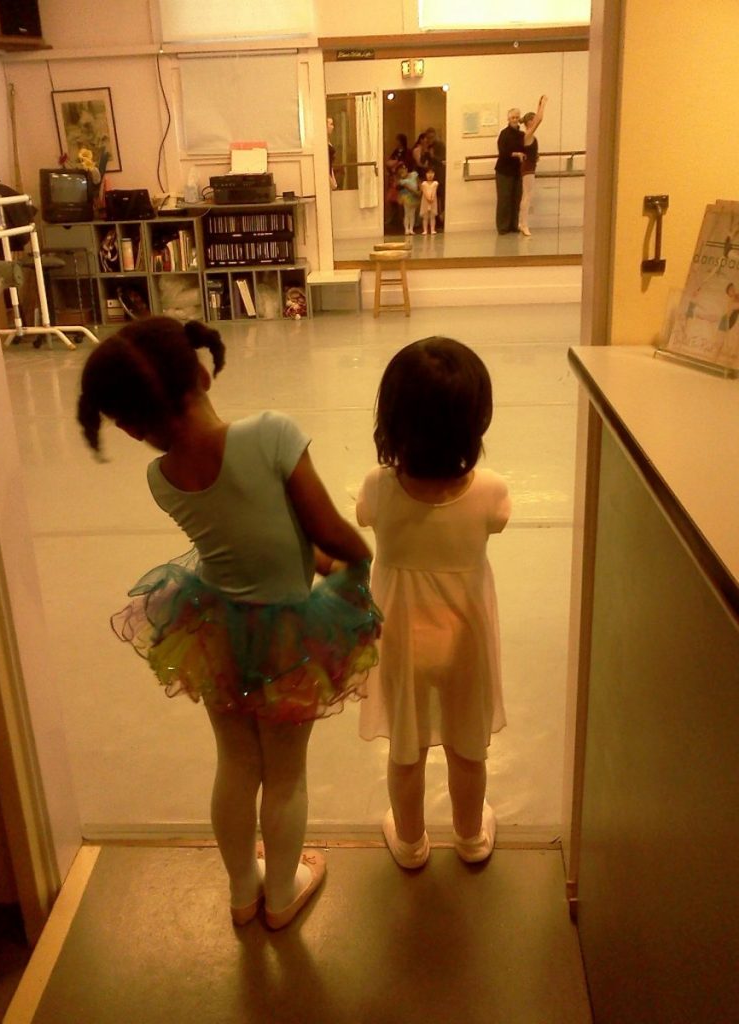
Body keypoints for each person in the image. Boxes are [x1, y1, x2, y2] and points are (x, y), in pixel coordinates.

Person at [76, 317, 381, 928]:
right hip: (291, 637)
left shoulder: (161, 478)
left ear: (133, 427)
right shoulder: (272, 435)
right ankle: (283, 894)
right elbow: (326, 531)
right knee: (286, 775)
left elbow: (250, 536)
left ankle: (244, 890)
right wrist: (359, 559)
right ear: (203, 370)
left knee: (236, 765)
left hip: (215, 630)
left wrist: (311, 559)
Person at [357, 337, 511, 869]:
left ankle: (411, 840)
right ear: (476, 420)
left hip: (401, 640)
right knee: (468, 747)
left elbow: (361, 516)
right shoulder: (490, 490)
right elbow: (500, 519)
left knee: (406, 749)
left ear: (392, 420)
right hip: (465, 639)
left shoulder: (378, 488)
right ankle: (470, 837)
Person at [518, 96, 548, 236]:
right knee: (527, 196)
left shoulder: (529, 135)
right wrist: (543, 104)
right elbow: (540, 119)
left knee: (527, 195)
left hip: (529, 166)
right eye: (533, 120)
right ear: (530, 122)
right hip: (528, 167)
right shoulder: (527, 134)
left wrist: (538, 105)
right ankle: (523, 224)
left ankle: (522, 223)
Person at [495, 108, 525, 234]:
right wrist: (516, 154)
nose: (515, 120)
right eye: (513, 117)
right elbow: (503, 152)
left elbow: (527, 149)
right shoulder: (504, 134)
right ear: (508, 119)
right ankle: (502, 227)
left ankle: (514, 225)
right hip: (503, 172)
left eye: (517, 117)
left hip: (518, 172)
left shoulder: (522, 135)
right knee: (504, 199)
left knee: (516, 198)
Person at [385, 134, 412, 232]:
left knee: (403, 200)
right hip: (394, 177)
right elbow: (389, 162)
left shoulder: (408, 152)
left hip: (403, 178)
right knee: (393, 199)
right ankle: (394, 218)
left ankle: (404, 221)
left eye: (398, 141)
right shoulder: (395, 151)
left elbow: (407, 163)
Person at [424, 127, 446, 228]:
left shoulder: (440, 145)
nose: (430, 140)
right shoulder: (428, 147)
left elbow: (442, 160)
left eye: (431, 137)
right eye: (428, 138)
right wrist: (425, 151)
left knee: (441, 197)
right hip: (430, 175)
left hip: (439, 174)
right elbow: (423, 160)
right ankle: (434, 221)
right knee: (431, 197)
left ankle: (441, 220)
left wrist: (433, 156)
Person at [396, 162, 420, 235]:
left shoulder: (414, 174)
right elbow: (409, 188)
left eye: (404, 169)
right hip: (407, 196)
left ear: (406, 169)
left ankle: (411, 229)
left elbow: (418, 182)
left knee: (412, 213)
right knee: (407, 213)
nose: (403, 172)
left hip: (414, 196)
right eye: (401, 172)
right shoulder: (402, 181)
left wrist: (420, 191)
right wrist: (416, 192)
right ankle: (406, 229)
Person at [420, 167, 439, 235]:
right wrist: (428, 198)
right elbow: (424, 191)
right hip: (425, 201)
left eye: (432, 173)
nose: (430, 175)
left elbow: (434, 191)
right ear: (425, 174)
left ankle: (432, 229)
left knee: (432, 216)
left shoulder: (435, 183)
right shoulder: (424, 183)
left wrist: (432, 198)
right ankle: (425, 230)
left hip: (433, 200)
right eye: (428, 173)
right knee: (425, 216)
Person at [327, 116, 338, 191]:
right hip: (326, 176)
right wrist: (330, 180)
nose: (333, 127)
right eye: (331, 124)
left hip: (330, 173)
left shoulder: (327, 140)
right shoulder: (322, 143)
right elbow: (324, 164)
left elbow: (330, 164)